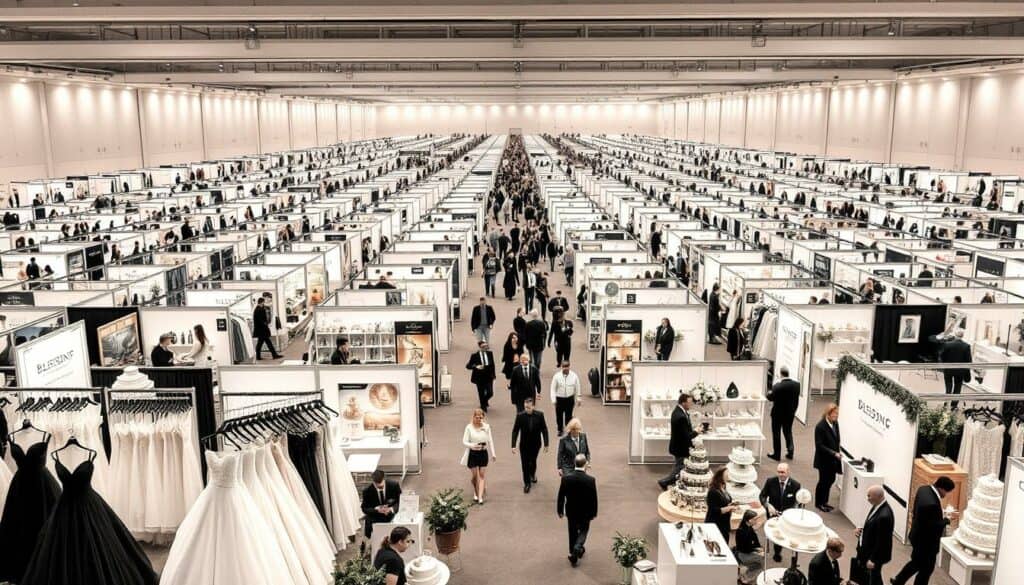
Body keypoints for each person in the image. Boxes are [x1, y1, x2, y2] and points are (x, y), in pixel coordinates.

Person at [892, 476, 956, 585]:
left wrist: (941, 513)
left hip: (917, 535)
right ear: (942, 488)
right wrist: (947, 520)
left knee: (915, 564)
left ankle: (898, 581)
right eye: (946, 492)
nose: (946, 495)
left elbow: (925, 516)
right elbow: (933, 526)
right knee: (926, 570)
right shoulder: (931, 504)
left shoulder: (924, 489)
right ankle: (899, 581)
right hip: (926, 543)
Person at [556, 453, 598, 567]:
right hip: (585, 511)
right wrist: (594, 512)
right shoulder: (590, 480)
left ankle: (573, 554)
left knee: (572, 531)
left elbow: (561, 496)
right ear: (585, 464)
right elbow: (593, 498)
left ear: (574, 463)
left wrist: (560, 510)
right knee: (584, 530)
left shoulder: (566, 479)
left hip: (571, 510)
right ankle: (577, 547)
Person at [759, 463, 801, 562]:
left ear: (788, 472)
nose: (780, 474)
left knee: (786, 533)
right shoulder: (770, 482)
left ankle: (782, 552)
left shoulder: (796, 485)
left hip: (787, 515)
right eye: (778, 472)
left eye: (783, 472)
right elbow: (762, 496)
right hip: (773, 513)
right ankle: (777, 552)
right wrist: (767, 505)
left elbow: (797, 501)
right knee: (776, 533)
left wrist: (792, 511)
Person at [658, 393, 699, 490]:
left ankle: (676, 483)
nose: (691, 404)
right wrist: (697, 431)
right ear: (683, 402)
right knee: (680, 467)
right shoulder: (680, 416)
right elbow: (686, 436)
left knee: (679, 466)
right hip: (681, 447)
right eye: (689, 403)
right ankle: (664, 482)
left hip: (678, 446)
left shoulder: (679, 411)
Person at [853, 486, 894, 585]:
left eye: (869, 496)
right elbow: (874, 527)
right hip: (868, 551)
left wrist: (873, 559)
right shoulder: (878, 506)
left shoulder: (884, 516)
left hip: (874, 556)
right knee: (874, 577)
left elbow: (883, 541)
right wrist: (861, 530)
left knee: (873, 577)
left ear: (878, 496)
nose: (867, 498)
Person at [511, 397, 549, 493]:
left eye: (529, 407)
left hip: (536, 444)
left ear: (533, 406)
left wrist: (546, 444)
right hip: (524, 444)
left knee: (532, 461)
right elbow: (515, 431)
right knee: (525, 464)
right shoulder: (520, 416)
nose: (527, 409)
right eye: (525, 407)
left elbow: (544, 429)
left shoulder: (540, 415)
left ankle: (532, 473)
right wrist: (513, 445)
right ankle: (527, 483)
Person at [460, 409, 496, 504]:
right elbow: (464, 441)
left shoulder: (486, 427)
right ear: (473, 417)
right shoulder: (469, 427)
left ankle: (480, 497)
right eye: (477, 417)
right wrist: (473, 445)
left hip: (483, 453)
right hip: (473, 454)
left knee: (482, 475)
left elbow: (490, 440)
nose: (479, 419)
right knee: (475, 476)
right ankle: (476, 491)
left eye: (481, 417)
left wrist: (493, 453)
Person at [767, 366, 800, 461]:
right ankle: (790, 451)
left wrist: (769, 393)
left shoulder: (777, 386)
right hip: (790, 413)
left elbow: (770, 397)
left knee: (776, 433)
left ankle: (777, 454)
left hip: (777, 414)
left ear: (781, 374)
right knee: (788, 431)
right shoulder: (797, 385)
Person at [814, 403, 842, 512]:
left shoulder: (835, 423)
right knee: (823, 481)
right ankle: (819, 503)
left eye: (837, 414)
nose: (836, 416)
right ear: (828, 414)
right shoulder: (820, 426)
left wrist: (836, 453)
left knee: (831, 480)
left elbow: (836, 439)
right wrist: (833, 453)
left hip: (833, 460)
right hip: (824, 460)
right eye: (834, 414)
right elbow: (819, 445)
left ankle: (825, 501)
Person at [361, 469, 402, 538]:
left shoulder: (394, 485)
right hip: (376, 516)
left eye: (382, 486)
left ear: (384, 479)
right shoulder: (367, 491)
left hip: (392, 514)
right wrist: (376, 510)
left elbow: (401, 501)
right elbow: (364, 508)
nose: (380, 487)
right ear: (373, 482)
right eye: (377, 486)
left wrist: (391, 509)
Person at [705, 467, 737, 545]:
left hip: (724, 524)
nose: (729, 477)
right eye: (727, 475)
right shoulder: (713, 492)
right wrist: (729, 508)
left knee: (724, 544)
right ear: (720, 477)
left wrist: (730, 505)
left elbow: (723, 503)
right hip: (715, 524)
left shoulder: (723, 487)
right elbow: (714, 510)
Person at [550, 360, 582, 436]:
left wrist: (578, 397)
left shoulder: (574, 376)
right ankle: (560, 429)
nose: (565, 368)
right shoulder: (556, 376)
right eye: (564, 367)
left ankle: (568, 429)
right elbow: (553, 389)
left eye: (567, 366)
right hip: (559, 399)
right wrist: (553, 399)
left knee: (569, 415)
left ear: (569, 367)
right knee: (559, 415)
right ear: (561, 367)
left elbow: (577, 387)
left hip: (569, 399)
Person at [734, 509, 764, 584]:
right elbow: (745, 548)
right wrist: (756, 550)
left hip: (747, 551)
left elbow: (755, 539)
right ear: (749, 520)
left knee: (761, 558)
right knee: (761, 562)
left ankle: (745, 575)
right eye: (755, 519)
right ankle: (746, 578)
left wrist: (759, 548)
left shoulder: (749, 527)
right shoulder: (741, 531)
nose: (756, 521)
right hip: (742, 553)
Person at [939, 329, 972, 397]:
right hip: (960, 370)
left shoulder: (947, 344)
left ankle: (946, 403)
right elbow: (968, 360)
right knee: (957, 387)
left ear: (955, 335)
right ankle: (954, 405)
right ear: (962, 336)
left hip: (948, 369)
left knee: (948, 386)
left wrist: (945, 363)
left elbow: (942, 356)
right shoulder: (966, 346)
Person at [465, 340, 496, 412]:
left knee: (490, 393)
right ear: (480, 347)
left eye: (486, 346)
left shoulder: (490, 353)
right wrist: (476, 366)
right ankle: (483, 406)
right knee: (481, 392)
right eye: (483, 347)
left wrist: (494, 375)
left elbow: (493, 365)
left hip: (488, 376)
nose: (485, 348)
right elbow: (468, 366)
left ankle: (484, 401)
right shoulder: (474, 355)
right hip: (479, 377)